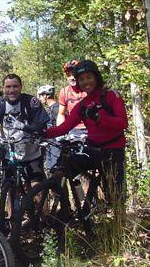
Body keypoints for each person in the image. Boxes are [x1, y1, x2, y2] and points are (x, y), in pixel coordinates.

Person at [43, 60, 128, 204]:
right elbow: (63, 128)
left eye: (89, 77)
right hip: (93, 150)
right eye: (81, 79)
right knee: (64, 167)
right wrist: (41, 133)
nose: (85, 82)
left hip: (113, 150)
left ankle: (118, 222)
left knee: (115, 195)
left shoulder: (111, 96)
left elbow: (122, 123)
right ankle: (78, 207)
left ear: (96, 77)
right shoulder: (83, 105)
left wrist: (99, 117)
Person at [0, 74, 50, 186]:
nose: (11, 90)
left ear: (21, 87)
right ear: (3, 88)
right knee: (9, 189)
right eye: (8, 87)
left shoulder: (31, 101)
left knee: (37, 190)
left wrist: (25, 128)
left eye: (15, 86)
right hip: (10, 154)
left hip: (31, 153)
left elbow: (42, 125)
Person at [57, 60, 87, 137]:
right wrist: (60, 132)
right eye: (68, 75)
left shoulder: (89, 88)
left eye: (74, 74)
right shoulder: (64, 92)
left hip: (91, 127)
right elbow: (61, 114)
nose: (72, 78)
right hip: (74, 130)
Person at [37, 84, 60, 172]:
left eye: (40, 96)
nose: (40, 98)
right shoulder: (50, 109)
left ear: (46, 96)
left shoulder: (57, 108)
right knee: (50, 169)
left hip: (57, 144)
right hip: (50, 144)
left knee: (56, 170)